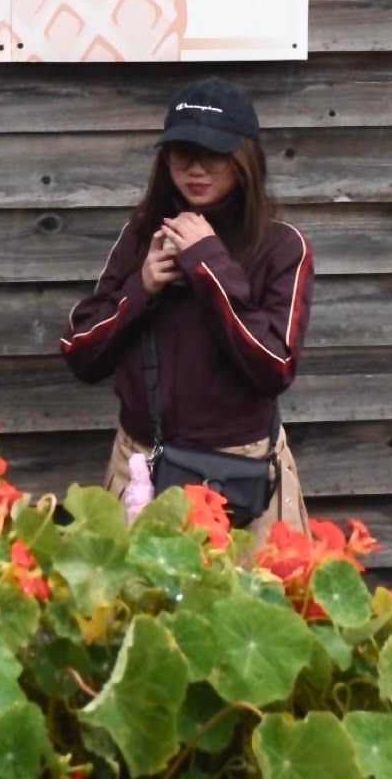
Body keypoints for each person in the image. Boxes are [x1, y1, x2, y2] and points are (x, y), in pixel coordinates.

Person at [60, 77, 312, 537]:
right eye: (182, 152)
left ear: (244, 158)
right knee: (131, 609)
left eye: (214, 153)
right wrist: (141, 290)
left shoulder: (281, 247)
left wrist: (209, 264)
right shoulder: (142, 236)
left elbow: (274, 367)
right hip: (142, 469)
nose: (196, 168)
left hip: (239, 474)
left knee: (251, 610)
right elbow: (80, 354)